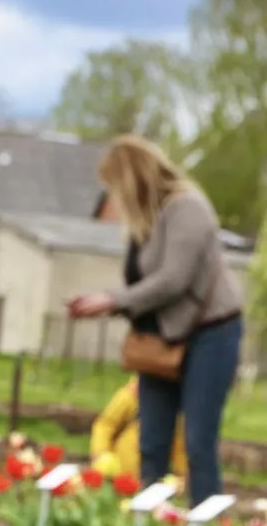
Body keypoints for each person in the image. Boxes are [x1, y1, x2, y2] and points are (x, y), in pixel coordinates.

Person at [68, 135, 245, 505]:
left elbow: (173, 279)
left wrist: (112, 300)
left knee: (197, 442)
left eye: (115, 186)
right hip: (160, 339)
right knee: (152, 440)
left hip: (211, 334)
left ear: (133, 178)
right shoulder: (145, 221)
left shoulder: (187, 207)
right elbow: (142, 281)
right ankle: (149, 525)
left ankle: (204, 525)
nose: (114, 197)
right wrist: (106, 302)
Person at [90, 378, 187, 480]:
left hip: (157, 478)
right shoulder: (133, 394)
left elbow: (181, 443)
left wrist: (182, 476)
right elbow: (106, 424)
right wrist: (101, 453)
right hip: (118, 475)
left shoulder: (182, 404)